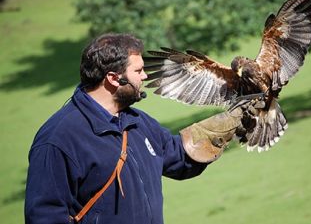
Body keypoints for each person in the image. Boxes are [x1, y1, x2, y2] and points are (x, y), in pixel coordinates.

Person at [25, 33, 256, 224]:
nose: (144, 76)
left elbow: (178, 157)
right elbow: (44, 216)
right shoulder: (59, 139)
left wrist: (231, 122)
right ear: (114, 78)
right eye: (138, 71)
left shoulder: (137, 122)